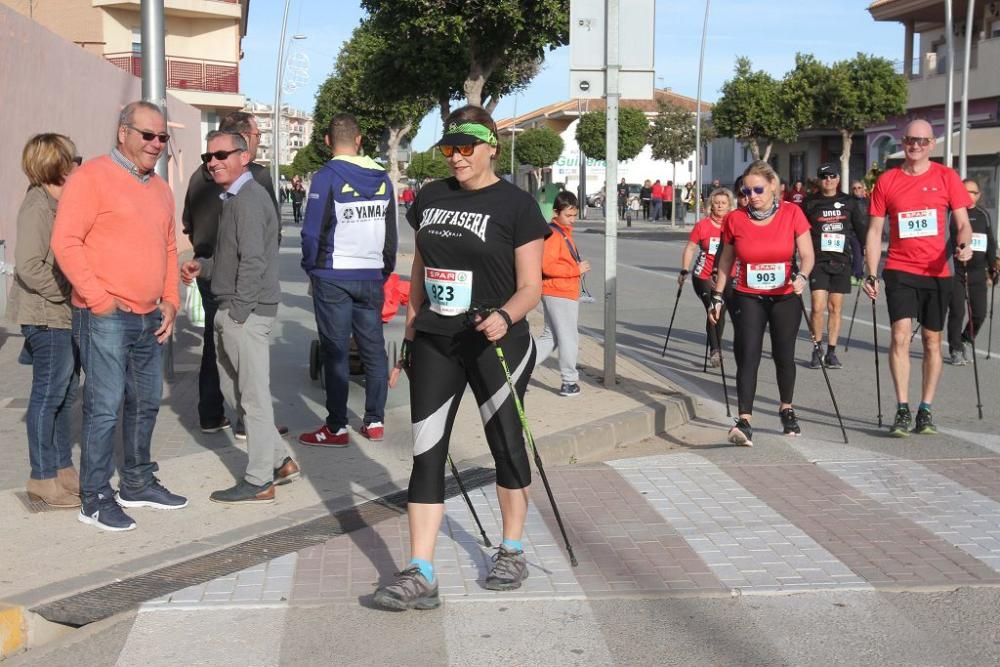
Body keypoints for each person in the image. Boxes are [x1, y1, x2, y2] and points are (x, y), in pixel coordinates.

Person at [373, 106, 549, 610]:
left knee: (506, 445)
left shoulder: (517, 205)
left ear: (492, 145)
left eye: (466, 147)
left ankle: (511, 549)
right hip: (436, 337)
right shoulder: (430, 196)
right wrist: (408, 330)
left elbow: (531, 286)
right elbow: (420, 266)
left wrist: (506, 317)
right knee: (426, 451)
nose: (457, 158)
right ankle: (420, 570)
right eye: (449, 148)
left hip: (497, 339)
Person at [51, 101, 187, 531]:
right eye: (147, 135)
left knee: (146, 403)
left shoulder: (161, 189)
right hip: (105, 315)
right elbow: (65, 241)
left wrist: (171, 300)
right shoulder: (90, 177)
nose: (156, 144)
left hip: (151, 317)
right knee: (104, 407)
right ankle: (94, 498)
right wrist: (98, 298)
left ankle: (137, 482)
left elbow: (167, 248)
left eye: (162, 137)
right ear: (122, 133)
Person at [180, 131, 298, 503]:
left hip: (244, 311)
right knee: (242, 392)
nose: (213, 162)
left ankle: (260, 479)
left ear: (243, 157)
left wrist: (238, 313)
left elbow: (254, 263)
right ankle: (279, 462)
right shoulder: (233, 199)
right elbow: (232, 260)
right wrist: (203, 266)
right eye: (208, 157)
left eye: (221, 155)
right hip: (236, 307)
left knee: (253, 398)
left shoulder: (247, 200)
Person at [864, 119, 973, 437]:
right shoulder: (887, 180)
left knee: (931, 341)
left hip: (938, 271)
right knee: (899, 336)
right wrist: (871, 273)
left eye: (922, 141)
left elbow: (962, 222)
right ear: (903, 141)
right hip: (899, 268)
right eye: (911, 140)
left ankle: (925, 408)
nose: (916, 146)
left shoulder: (946, 177)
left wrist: (964, 245)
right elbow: (874, 231)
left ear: (932, 145)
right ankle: (902, 408)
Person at [298, 113, 396, 447]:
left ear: (327, 142)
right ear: (359, 141)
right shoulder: (384, 179)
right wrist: (383, 271)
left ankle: (336, 427)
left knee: (336, 351)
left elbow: (311, 232)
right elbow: (391, 235)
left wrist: (310, 266)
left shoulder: (326, 177)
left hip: (333, 276)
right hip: (370, 276)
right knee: (373, 350)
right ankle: (375, 421)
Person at [181, 111, 280, 437]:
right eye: (255, 134)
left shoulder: (198, 176)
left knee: (218, 347)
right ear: (243, 142)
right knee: (240, 359)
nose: (214, 162)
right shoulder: (255, 177)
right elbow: (269, 237)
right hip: (232, 280)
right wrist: (242, 309)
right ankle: (248, 425)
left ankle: (211, 414)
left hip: (214, 271)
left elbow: (188, 223)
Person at [709, 160, 814, 447]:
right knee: (748, 353)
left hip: (784, 294)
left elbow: (807, 254)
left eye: (758, 189)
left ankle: (786, 408)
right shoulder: (735, 219)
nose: (752, 195)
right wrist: (717, 296)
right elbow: (726, 260)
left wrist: (803, 276)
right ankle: (745, 420)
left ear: (774, 188)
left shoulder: (793, 213)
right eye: (747, 190)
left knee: (783, 354)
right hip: (747, 292)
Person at [7, 134, 81, 508]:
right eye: (73, 158)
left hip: (62, 316)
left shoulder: (58, 201)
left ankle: (62, 468)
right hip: (46, 316)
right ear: (56, 163)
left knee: (65, 395)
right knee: (48, 396)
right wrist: (68, 292)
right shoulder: (37, 205)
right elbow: (29, 266)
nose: (77, 164)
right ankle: (41, 476)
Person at [803, 163, 868, 370]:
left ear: (838, 179)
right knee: (818, 307)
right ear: (819, 180)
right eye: (823, 176)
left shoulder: (848, 202)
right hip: (818, 261)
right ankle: (817, 349)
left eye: (832, 176)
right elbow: (799, 231)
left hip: (842, 261)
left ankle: (831, 351)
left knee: (835, 308)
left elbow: (862, 231)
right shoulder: (809, 203)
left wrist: (867, 255)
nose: (828, 180)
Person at [535, 191, 590, 396]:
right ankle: (569, 381)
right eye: (569, 215)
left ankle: (517, 373)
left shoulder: (562, 231)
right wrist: (576, 270)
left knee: (552, 337)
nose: (572, 219)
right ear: (556, 212)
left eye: (574, 215)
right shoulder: (554, 234)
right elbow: (546, 265)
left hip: (559, 290)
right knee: (568, 337)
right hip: (559, 291)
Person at [679, 187, 735, 368]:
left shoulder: (734, 224)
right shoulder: (702, 225)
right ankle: (715, 350)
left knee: (722, 311)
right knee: (713, 308)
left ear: (729, 206)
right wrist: (684, 270)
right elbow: (690, 248)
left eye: (723, 203)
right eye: (716, 203)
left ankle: (715, 345)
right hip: (703, 274)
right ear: (711, 205)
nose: (719, 206)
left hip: (726, 276)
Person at [945, 178, 997, 365]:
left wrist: (994, 266)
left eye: (973, 192)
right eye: (965, 191)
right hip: (956, 271)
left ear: (979, 195)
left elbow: (990, 243)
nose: (969, 195)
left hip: (977, 272)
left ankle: (966, 339)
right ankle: (955, 349)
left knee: (979, 313)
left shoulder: (983, 215)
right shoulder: (952, 214)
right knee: (957, 311)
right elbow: (945, 241)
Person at [849, 181, 870, 280]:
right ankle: (856, 275)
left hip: (865, 232)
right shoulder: (851, 202)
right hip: (854, 233)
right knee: (857, 253)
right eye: (854, 188)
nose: (857, 190)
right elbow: (858, 221)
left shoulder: (868, 201)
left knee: (861, 254)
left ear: (863, 189)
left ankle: (858, 273)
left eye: (859, 187)